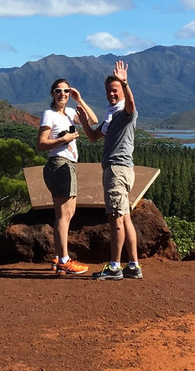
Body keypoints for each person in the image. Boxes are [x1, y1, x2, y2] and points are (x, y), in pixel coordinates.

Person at [78, 60, 141, 280]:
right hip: (118, 169)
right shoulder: (111, 114)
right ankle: (133, 265)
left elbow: (132, 103)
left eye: (114, 91)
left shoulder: (125, 112)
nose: (110, 95)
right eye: (108, 91)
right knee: (124, 218)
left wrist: (125, 83)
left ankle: (115, 266)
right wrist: (85, 122)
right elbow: (94, 137)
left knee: (115, 218)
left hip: (117, 169)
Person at [37, 77, 95, 275]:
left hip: (69, 165)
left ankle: (57, 256)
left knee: (67, 214)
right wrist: (64, 139)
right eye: (58, 91)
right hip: (59, 164)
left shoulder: (71, 112)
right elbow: (41, 144)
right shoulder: (49, 115)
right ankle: (64, 260)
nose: (63, 94)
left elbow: (93, 121)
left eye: (66, 91)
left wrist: (80, 100)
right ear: (52, 94)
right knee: (64, 214)